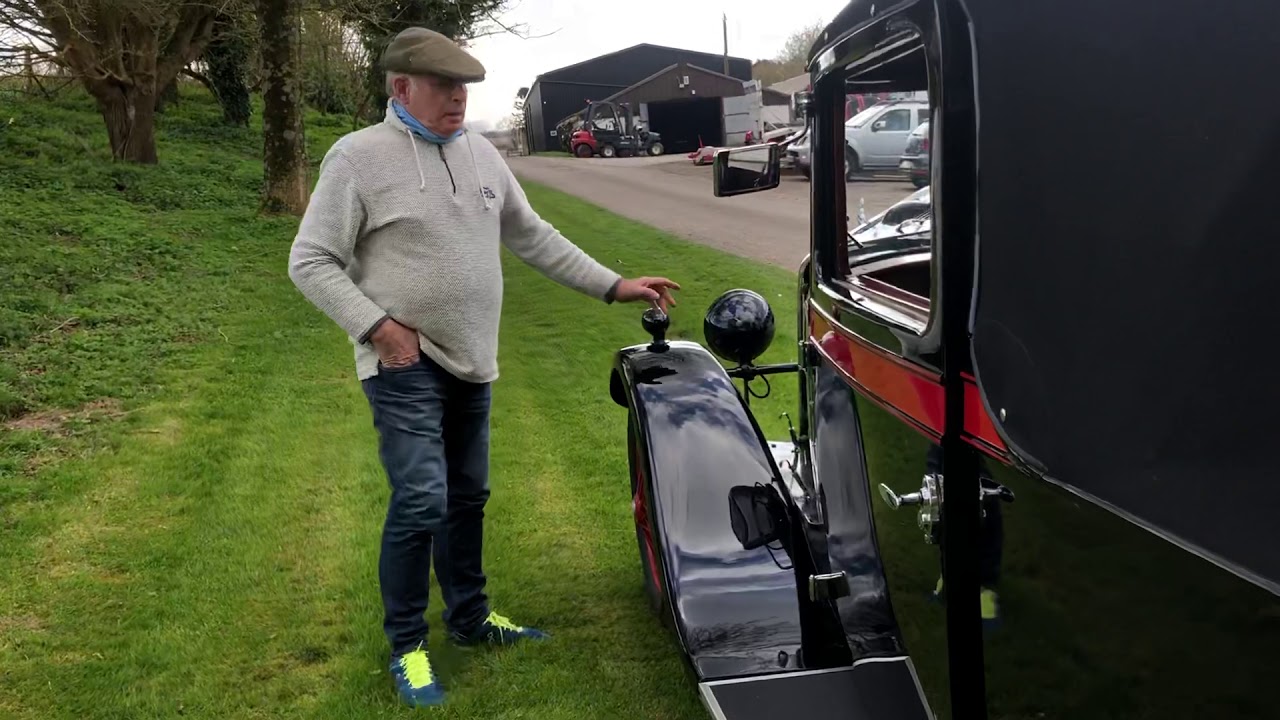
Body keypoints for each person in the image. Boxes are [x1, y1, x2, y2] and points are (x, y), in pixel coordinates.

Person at [286, 26, 679, 709]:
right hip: (405, 362)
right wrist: (377, 328)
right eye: (444, 87)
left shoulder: (482, 156)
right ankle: (408, 647)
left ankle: (469, 619)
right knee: (421, 500)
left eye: (465, 88)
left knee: (468, 498)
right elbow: (309, 260)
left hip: (474, 362)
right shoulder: (356, 159)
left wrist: (616, 285)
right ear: (401, 88)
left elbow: (533, 236)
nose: (459, 100)